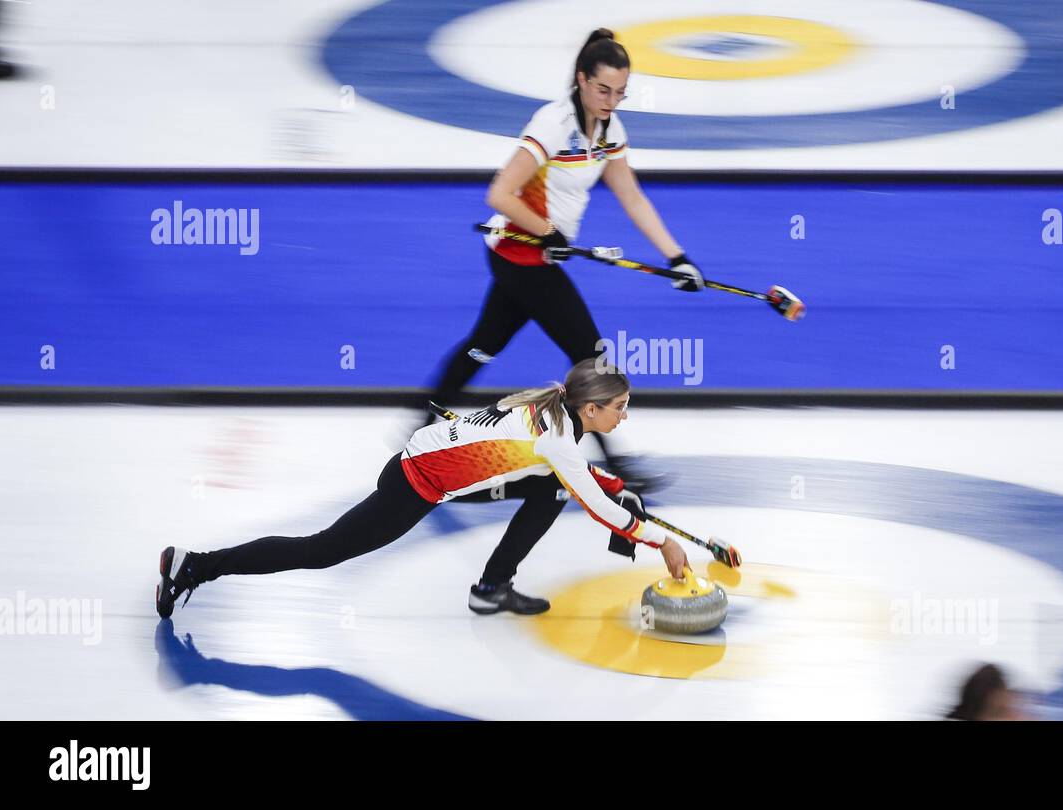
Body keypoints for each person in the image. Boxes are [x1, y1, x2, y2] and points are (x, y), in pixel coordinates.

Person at [156, 359, 691, 619]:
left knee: (549, 490)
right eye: (619, 407)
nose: (625, 415)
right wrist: (657, 539)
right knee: (322, 551)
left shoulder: (552, 415)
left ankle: (490, 590)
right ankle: (196, 564)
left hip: (446, 472)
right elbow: (597, 506)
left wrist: (612, 491)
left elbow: (570, 480)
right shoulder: (558, 437)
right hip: (414, 484)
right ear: (589, 408)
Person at [427, 28, 701, 492]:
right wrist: (547, 232)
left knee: (484, 345)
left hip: (540, 258)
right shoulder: (553, 123)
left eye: (620, 92)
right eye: (602, 90)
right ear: (581, 79)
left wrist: (676, 257)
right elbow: (500, 192)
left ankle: (423, 421)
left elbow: (631, 196)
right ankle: (615, 464)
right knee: (593, 358)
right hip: (519, 255)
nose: (611, 101)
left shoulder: (610, 130)